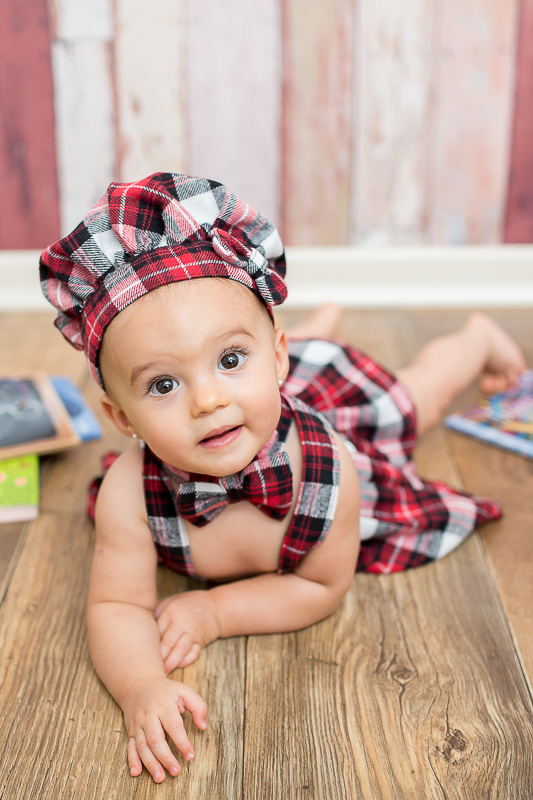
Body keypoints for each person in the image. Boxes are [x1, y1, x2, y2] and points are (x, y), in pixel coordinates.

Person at [40, 172, 526, 783]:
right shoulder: (129, 494)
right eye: (163, 384)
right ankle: (306, 332)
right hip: (270, 390)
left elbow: (322, 588)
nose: (207, 401)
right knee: (261, 378)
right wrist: (141, 685)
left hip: (328, 407)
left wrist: (215, 613)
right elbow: (116, 604)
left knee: (412, 401)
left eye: (230, 358)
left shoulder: (330, 472)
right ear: (120, 417)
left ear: (273, 356)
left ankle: (474, 341)